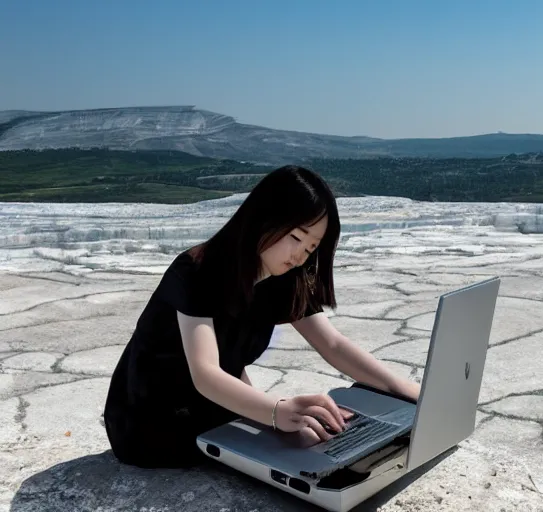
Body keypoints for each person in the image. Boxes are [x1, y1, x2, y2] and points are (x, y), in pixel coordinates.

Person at [103, 165, 421, 469]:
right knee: (304, 437)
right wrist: (274, 412)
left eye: (311, 248)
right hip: (151, 418)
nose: (299, 256)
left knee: (317, 435)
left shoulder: (283, 277)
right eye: (296, 238)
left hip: (214, 405)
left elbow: (333, 345)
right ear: (264, 219)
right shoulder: (196, 271)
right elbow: (205, 373)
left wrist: (402, 389)